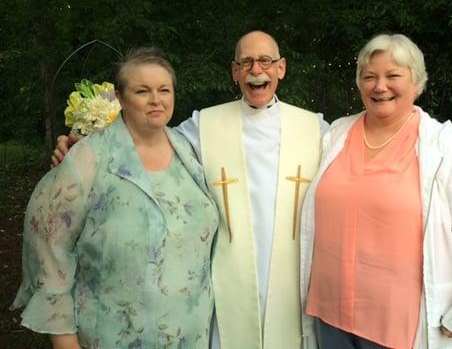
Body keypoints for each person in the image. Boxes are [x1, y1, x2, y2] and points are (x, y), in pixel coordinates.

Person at [52, 31, 328, 349]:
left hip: (292, 278)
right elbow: (144, 141)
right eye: (247, 61)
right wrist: (83, 145)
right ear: (235, 71)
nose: (257, 69)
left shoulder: (316, 129)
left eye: (266, 60)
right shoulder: (202, 127)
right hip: (228, 282)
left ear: (281, 68)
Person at [299, 33, 452, 349]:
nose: (380, 86)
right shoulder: (337, 134)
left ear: (417, 83)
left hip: (399, 324)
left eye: (393, 76)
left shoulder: (444, 147)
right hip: (330, 313)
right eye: (370, 77)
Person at [13, 47, 219, 349]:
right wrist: (64, 341)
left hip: (190, 335)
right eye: (142, 91)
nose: (156, 100)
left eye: (164, 90)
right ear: (120, 98)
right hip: (110, 336)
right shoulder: (88, 158)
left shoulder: (190, 150)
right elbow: (49, 249)